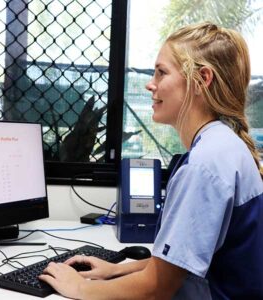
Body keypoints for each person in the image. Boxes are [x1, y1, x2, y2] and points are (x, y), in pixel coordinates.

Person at [39, 22, 263, 299]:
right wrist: (115, 270)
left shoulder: (204, 165)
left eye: (161, 72)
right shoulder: (224, 146)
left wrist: (81, 287)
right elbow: (181, 261)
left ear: (202, 79)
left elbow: (156, 289)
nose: (150, 83)